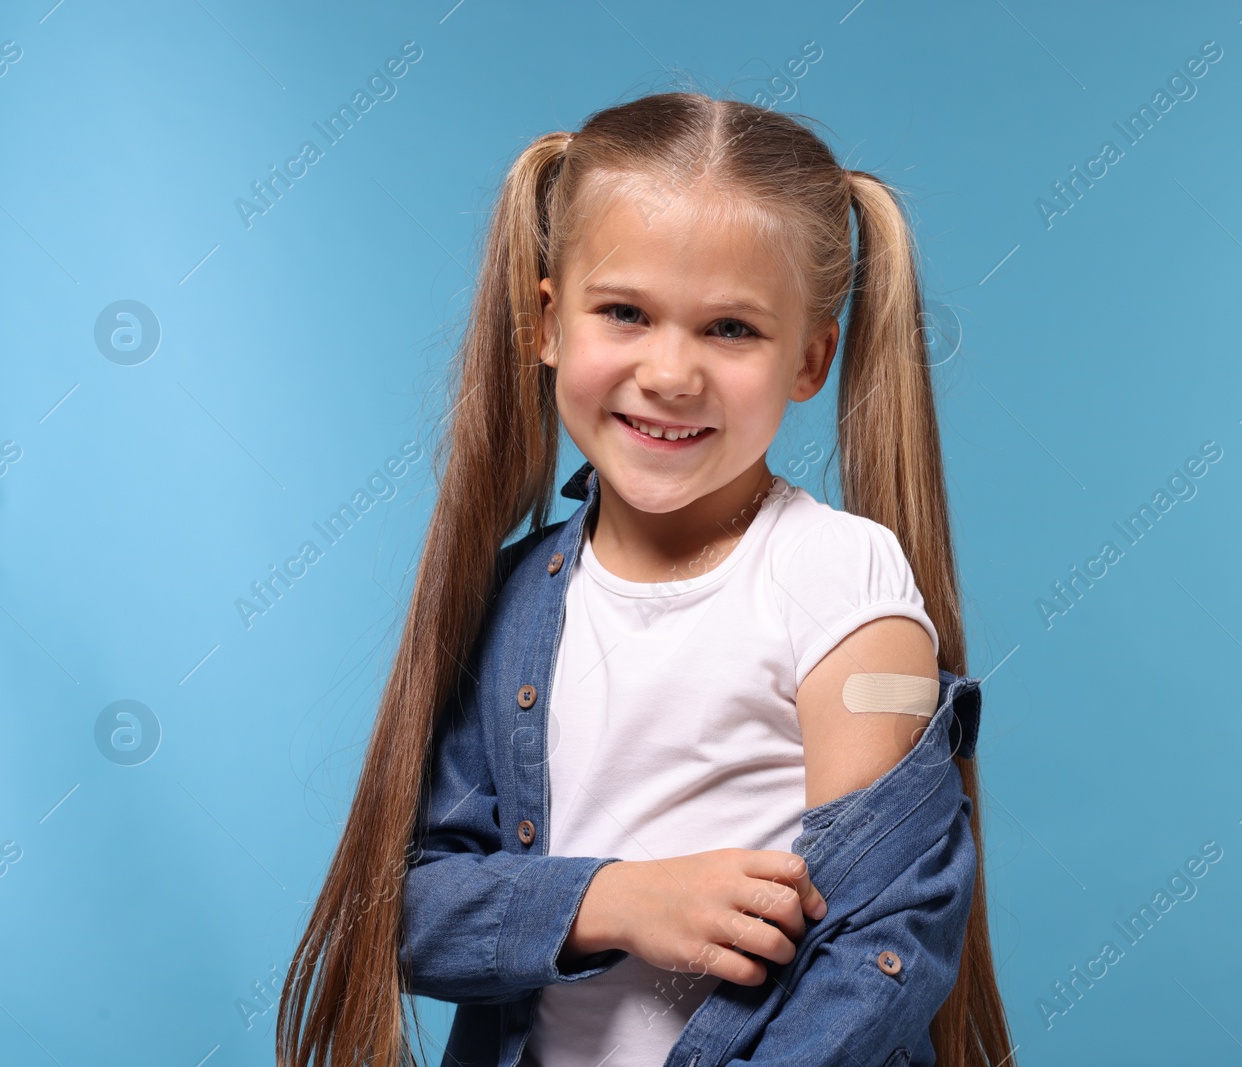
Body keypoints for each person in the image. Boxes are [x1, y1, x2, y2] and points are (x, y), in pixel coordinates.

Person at [276, 90, 1015, 1067]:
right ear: (546, 322)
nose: (670, 371)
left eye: (730, 329)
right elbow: (404, 912)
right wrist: (611, 897)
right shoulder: (511, 599)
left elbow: (883, 940)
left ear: (809, 357)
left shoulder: (839, 576)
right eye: (625, 311)